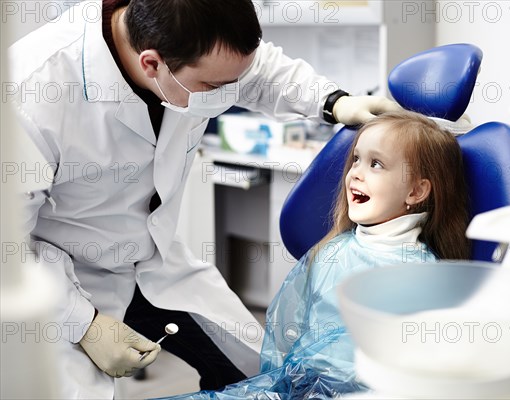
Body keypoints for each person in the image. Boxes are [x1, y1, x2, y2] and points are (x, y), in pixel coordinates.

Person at [7, 0, 402, 397]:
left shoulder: (197, 41)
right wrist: (84, 323)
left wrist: (335, 101)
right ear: (151, 64)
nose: (228, 93)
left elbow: (260, 71)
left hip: (155, 259)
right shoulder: (30, 91)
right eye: (212, 88)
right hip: (61, 279)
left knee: (260, 373)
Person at [166, 110, 471, 399]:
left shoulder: (422, 277)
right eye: (356, 160)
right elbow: (285, 337)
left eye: (376, 164)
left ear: (416, 192)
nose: (356, 174)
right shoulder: (330, 252)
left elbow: (416, 375)